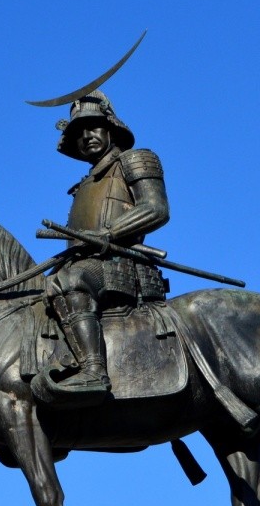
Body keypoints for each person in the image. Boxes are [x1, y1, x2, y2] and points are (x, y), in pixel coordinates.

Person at [34, 90, 170, 407]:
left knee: (71, 282)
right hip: (86, 265)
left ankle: (93, 371)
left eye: (93, 127)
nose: (87, 137)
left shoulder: (135, 159)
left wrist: (108, 234)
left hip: (122, 266)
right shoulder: (83, 185)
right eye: (79, 134)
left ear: (110, 127)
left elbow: (156, 209)